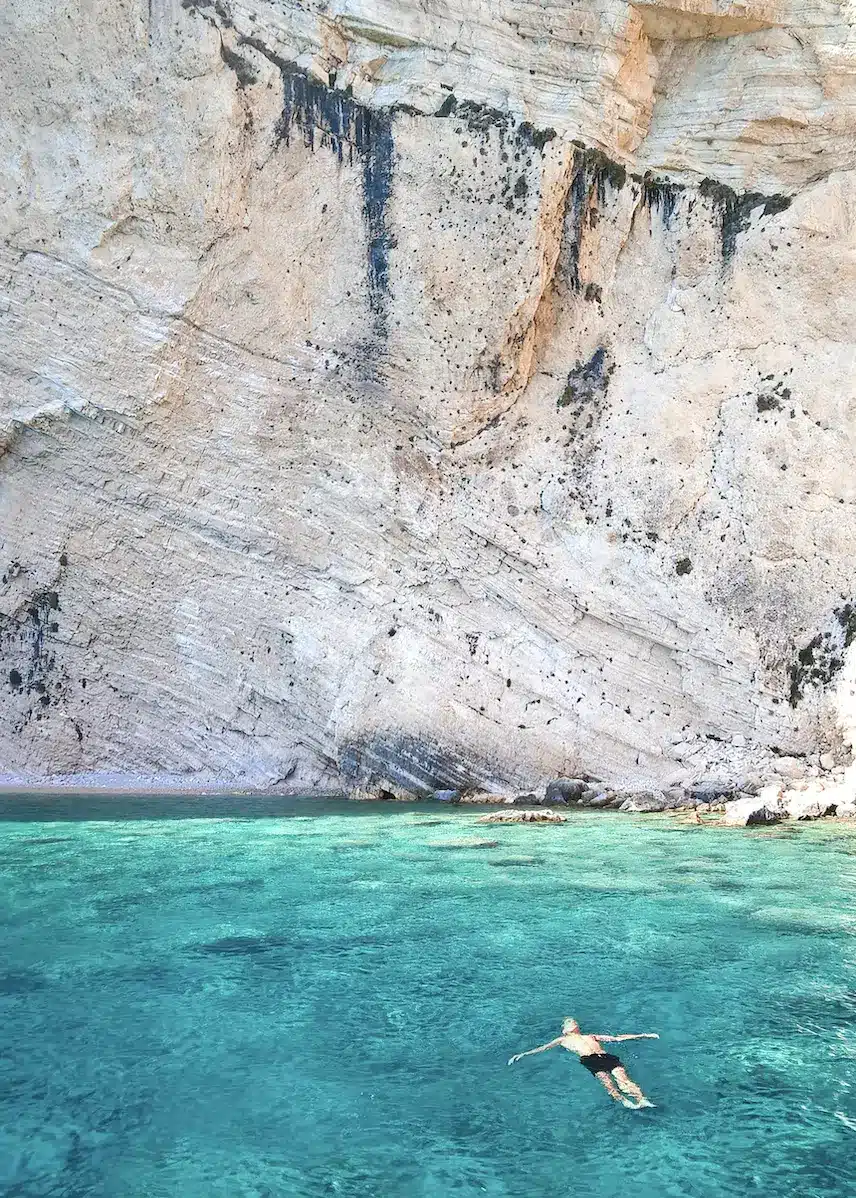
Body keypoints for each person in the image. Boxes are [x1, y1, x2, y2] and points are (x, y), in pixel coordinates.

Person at [507, 1017, 658, 1108]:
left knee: (623, 1080)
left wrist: (643, 1035)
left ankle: (642, 1100)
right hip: (589, 1060)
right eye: (568, 1022)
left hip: (606, 1056)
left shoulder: (590, 1036)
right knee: (608, 1083)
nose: (572, 1023)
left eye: (572, 1021)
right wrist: (523, 1054)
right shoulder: (562, 1040)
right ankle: (625, 1102)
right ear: (564, 1030)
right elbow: (543, 1048)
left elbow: (617, 1038)